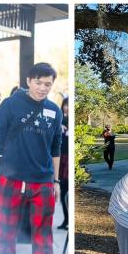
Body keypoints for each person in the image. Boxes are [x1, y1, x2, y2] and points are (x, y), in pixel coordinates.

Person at [0, 62, 64, 254]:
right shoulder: (11, 104)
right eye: (38, 82)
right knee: (6, 232)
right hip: (10, 179)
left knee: (43, 238)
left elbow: (55, 148)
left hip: (43, 183)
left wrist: (56, 181)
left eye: (47, 84)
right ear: (29, 81)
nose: (42, 88)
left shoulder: (55, 112)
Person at [58, 96, 69, 230]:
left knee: (67, 192)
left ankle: (68, 219)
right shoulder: (59, 120)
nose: (66, 107)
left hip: (67, 159)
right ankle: (65, 219)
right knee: (62, 191)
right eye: (65, 105)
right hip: (61, 158)